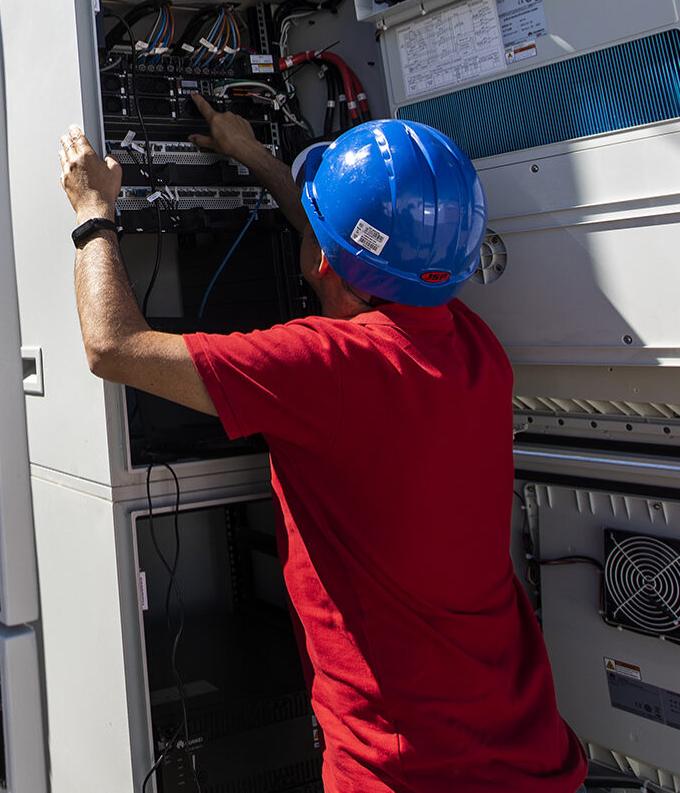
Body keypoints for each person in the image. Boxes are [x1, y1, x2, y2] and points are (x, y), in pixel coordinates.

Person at [56, 92, 586, 793]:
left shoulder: (327, 367)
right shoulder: (473, 345)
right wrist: (251, 154)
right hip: (533, 753)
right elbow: (356, 247)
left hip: (407, 772)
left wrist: (95, 213)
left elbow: (115, 347)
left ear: (323, 263)